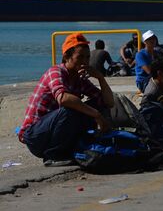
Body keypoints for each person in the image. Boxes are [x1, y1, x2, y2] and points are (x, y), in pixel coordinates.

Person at [19, 33, 114, 166]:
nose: (85, 62)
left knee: (97, 105)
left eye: (87, 57)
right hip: (36, 136)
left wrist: (100, 77)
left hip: (55, 132)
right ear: (66, 57)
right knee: (71, 107)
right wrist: (95, 114)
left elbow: (109, 102)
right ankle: (53, 155)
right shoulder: (55, 72)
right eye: (80, 57)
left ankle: (82, 145)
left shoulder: (80, 79)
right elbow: (63, 99)